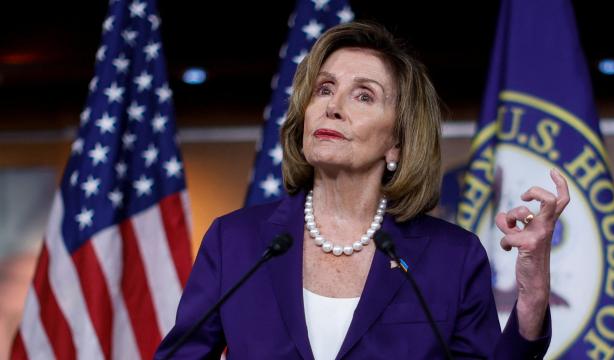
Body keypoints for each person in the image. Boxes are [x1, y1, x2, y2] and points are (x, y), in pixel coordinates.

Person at [155, 21, 569, 359]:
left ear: (397, 143)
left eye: (364, 96)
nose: (333, 106)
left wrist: (532, 294)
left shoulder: (452, 259)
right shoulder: (237, 242)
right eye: (324, 89)